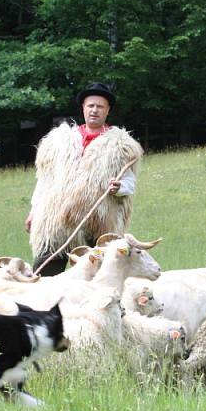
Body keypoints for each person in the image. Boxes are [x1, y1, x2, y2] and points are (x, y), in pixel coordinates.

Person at [24, 82, 143, 276]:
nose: (94, 110)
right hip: (56, 222)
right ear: (83, 108)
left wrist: (119, 187)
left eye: (100, 106)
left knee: (97, 279)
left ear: (107, 110)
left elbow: (129, 182)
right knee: (44, 275)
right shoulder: (60, 142)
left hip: (96, 222)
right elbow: (45, 180)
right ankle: (43, 307)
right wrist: (34, 210)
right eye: (91, 106)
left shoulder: (121, 145)